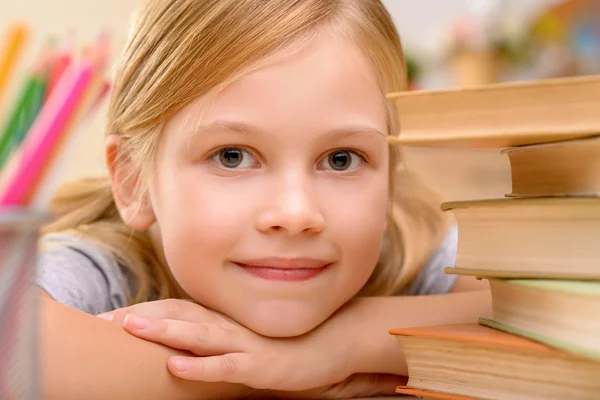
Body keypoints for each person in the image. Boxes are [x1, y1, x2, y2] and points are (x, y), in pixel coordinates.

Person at [36, 0, 490, 399]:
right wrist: (274, 370)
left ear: (390, 174)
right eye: (232, 157)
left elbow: (541, 314)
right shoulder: (102, 263)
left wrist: (342, 345)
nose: (295, 215)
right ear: (134, 181)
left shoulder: (408, 243)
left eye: (340, 159)